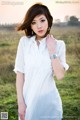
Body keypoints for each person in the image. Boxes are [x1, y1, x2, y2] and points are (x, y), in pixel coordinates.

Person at [14, 3, 69, 120]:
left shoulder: (59, 45)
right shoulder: (24, 43)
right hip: (28, 102)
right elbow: (20, 74)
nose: (39, 26)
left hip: (50, 105)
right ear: (30, 25)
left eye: (42, 20)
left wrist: (52, 49)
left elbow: (60, 75)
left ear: (48, 21)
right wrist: (21, 103)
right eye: (33, 22)